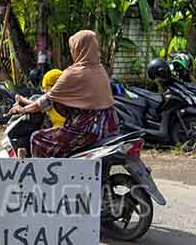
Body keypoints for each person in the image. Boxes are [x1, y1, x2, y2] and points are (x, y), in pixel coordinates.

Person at [10, 30, 118, 158]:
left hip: (86, 130)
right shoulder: (100, 70)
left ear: (79, 49)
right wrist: (27, 103)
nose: (72, 52)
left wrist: (23, 110)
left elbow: (46, 101)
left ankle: (42, 176)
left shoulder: (74, 73)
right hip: (109, 126)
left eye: (73, 48)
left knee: (37, 138)